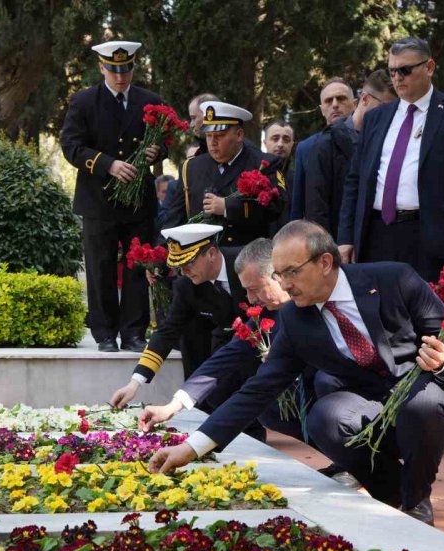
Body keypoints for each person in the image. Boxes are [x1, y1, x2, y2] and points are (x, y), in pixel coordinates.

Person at [144, 221, 444, 526]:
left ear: (325, 262)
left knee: (421, 402)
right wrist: (190, 449)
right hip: (378, 408)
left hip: (440, 398)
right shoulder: (296, 319)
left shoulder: (393, 278)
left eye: (291, 272)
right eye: (279, 275)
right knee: (325, 416)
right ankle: (394, 494)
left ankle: (417, 504)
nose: (285, 284)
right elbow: (257, 390)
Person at [339, 37, 444, 281]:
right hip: (377, 236)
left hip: (430, 237)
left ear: (429, 67)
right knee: (379, 315)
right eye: (392, 71)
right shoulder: (376, 118)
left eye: (405, 70)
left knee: (427, 316)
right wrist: (346, 237)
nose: (397, 78)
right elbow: (355, 180)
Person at [60, 40, 166, 353]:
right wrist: (108, 164)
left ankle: (134, 332)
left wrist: (158, 151)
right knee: (100, 266)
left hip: (137, 200)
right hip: (98, 199)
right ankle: (104, 332)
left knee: (137, 265)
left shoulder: (150, 101)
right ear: (101, 68)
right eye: (114, 70)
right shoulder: (84, 101)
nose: (121, 77)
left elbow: (165, 142)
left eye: (127, 69)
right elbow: (72, 147)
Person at [109, 224, 260, 431]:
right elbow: (167, 332)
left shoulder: (245, 262)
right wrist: (134, 383)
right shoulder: (186, 284)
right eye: (178, 265)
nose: (183, 271)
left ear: (212, 254)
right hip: (227, 344)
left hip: (264, 341)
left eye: (188, 263)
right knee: (218, 395)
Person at [160, 101, 286, 245]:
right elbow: (174, 217)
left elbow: (276, 207)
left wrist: (227, 207)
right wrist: (160, 255)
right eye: (208, 135)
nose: (213, 142)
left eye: (219, 135)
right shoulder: (191, 167)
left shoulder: (264, 164)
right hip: (202, 257)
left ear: (239, 135)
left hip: (245, 256)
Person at [304, 70, 396, 235]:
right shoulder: (325, 144)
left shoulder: (385, 142)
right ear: (365, 99)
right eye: (385, 107)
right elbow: (317, 209)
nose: (390, 114)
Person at [289, 78, 357, 221]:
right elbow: (299, 201)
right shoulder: (306, 147)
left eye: (341, 98)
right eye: (328, 101)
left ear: (354, 104)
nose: (335, 105)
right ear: (322, 110)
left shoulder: (366, 141)